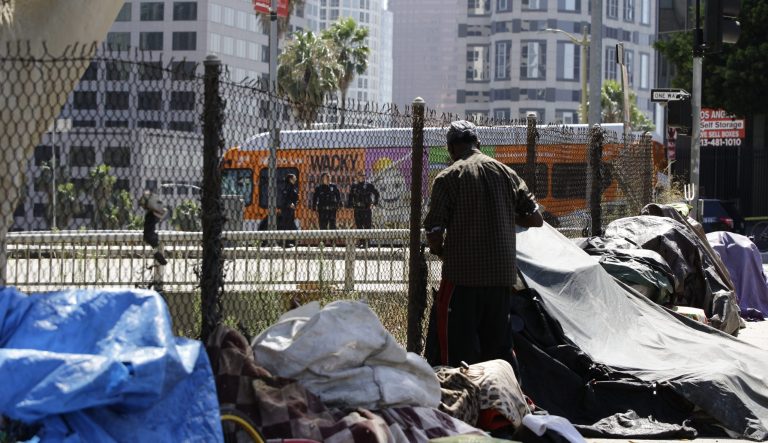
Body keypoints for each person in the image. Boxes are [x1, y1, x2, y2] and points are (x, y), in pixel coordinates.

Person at [424, 120, 543, 368]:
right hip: (500, 276)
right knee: (499, 347)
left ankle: (462, 396)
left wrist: (440, 251)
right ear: (478, 144)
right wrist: (504, 213)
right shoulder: (507, 173)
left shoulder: (448, 178)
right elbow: (535, 218)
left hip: (462, 276)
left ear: (451, 149)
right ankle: (502, 399)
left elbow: (434, 229)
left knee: (458, 350)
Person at [347, 171, 380, 247]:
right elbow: (350, 196)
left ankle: (367, 242)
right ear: (357, 177)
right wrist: (350, 205)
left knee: (367, 226)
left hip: (366, 208)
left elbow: (376, 193)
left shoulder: (368, 185)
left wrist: (374, 203)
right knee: (359, 226)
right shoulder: (354, 186)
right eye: (359, 175)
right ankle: (361, 242)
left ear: (364, 176)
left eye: (363, 175)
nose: (361, 177)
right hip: (357, 209)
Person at [279, 173, 299, 247]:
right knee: (286, 226)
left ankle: (289, 242)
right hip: (286, 210)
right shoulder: (287, 187)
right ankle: (285, 242)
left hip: (291, 211)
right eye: (294, 178)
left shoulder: (293, 187)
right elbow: (285, 198)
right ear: (290, 179)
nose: (296, 179)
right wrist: (290, 204)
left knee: (290, 226)